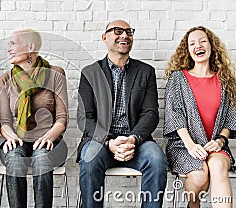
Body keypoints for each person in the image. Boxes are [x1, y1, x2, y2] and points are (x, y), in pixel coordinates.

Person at [77, 19, 167, 208]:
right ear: (104, 37)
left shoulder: (146, 71)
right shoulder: (90, 73)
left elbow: (150, 113)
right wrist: (109, 142)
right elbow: (85, 118)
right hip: (100, 142)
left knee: (156, 159)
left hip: (137, 142)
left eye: (129, 32)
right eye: (118, 31)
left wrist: (133, 139)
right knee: (89, 158)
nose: (124, 35)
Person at [164, 26, 236, 208]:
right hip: (183, 145)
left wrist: (220, 141)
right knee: (199, 174)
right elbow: (175, 115)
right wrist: (191, 145)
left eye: (203, 41)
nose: (198, 46)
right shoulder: (178, 79)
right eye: (192, 43)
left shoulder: (225, 80)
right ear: (187, 50)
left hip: (215, 145)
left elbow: (230, 117)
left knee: (218, 166)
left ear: (211, 46)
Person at [0, 28, 68, 208]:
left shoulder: (55, 73)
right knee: (14, 159)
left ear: (30, 46)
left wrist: (48, 137)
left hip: (51, 140)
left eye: (13, 43)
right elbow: (5, 122)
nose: (9, 49)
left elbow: (62, 118)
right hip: (18, 141)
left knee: (42, 157)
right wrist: (10, 136)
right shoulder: (5, 79)